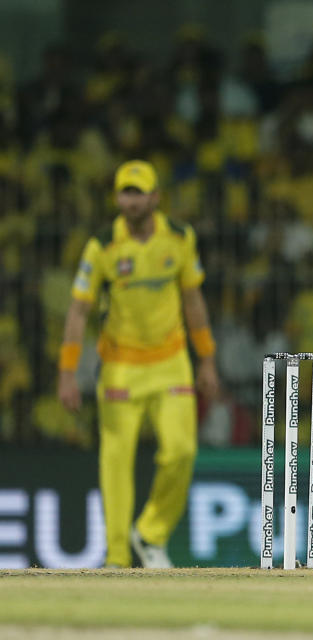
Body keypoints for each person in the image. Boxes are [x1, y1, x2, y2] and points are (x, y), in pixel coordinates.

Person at [57, 160, 220, 568]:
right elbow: (78, 311)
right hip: (120, 367)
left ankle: (150, 532)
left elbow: (194, 300)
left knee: (181, 451)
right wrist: (67, 372)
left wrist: (208, 361)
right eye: (124, 193)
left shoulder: (180, 239)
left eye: (137, 192)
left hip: (171, 363)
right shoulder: (102, 246)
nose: (130, 201)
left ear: (155, 197)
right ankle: (116, 558)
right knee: (115, 462)